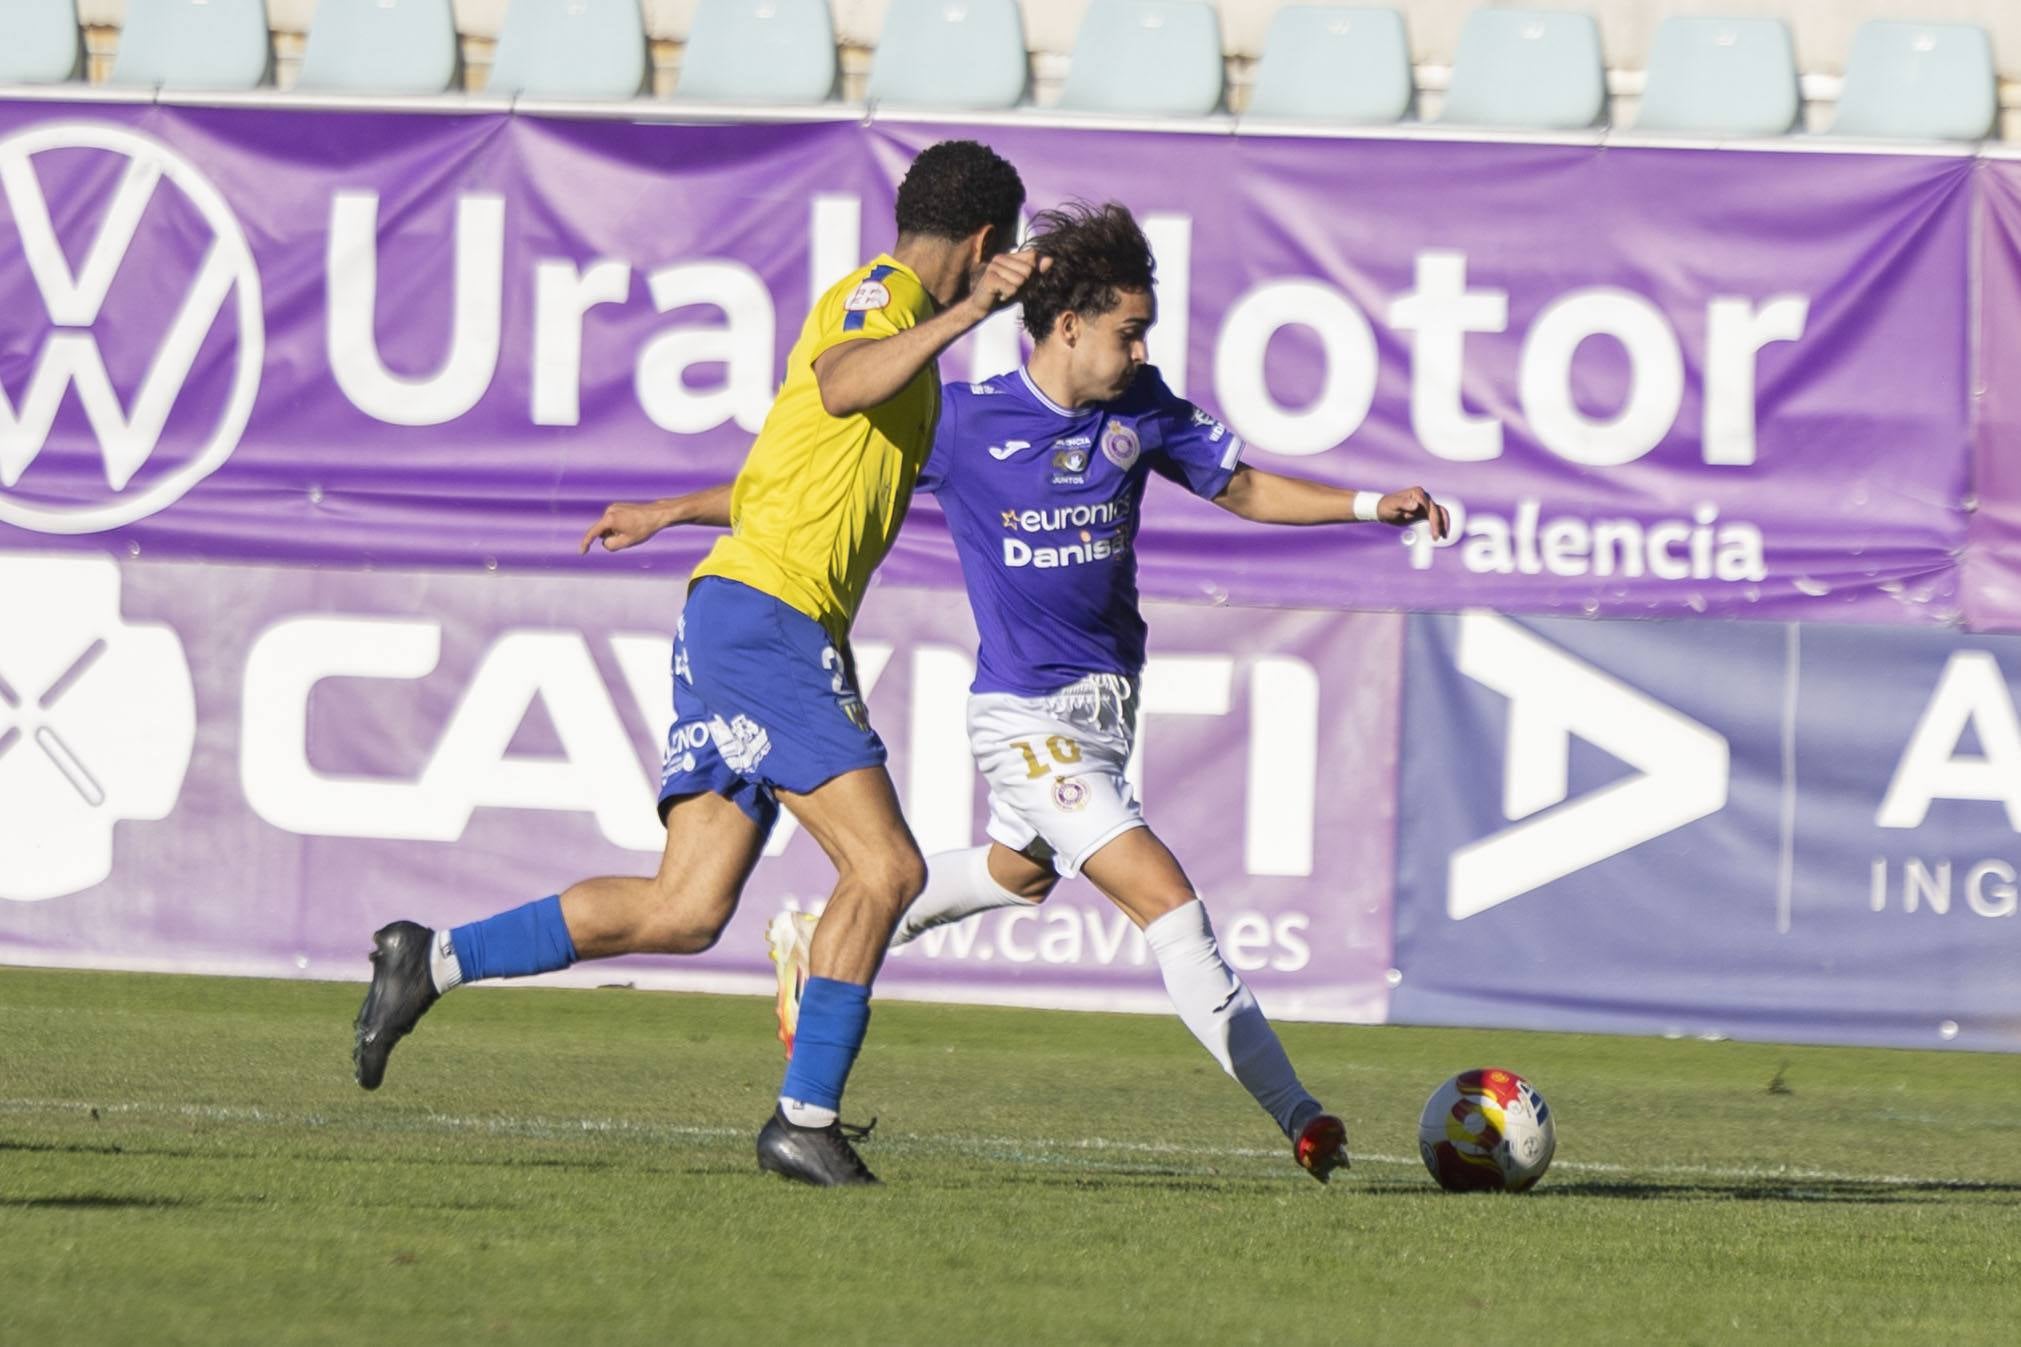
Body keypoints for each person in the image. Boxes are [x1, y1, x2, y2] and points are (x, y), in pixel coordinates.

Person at [603, 201, 1448, 1183]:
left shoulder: (1142, 410)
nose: (1139, 350)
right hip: (1022, 717)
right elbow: (802, 486)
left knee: (1021, 874)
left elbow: (1242, 487)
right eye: (1128, 331)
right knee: (1167, 904)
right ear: (1068, 325)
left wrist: (1363, 506)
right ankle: (1298, 1115)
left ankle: (807, 937)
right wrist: (671, 508)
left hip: (1103, 712)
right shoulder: (960, 425)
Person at [351, 140, 1040, 1189]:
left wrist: (667, 509)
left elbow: (785, 470)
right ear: (986, 242)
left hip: (736, 610)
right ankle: (804, 1119)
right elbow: (845, 385)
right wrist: (969, 314)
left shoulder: (906, 337)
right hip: (768, 624)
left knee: (686, 906)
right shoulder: (882, 297)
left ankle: (431, 957)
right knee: (885, 869)